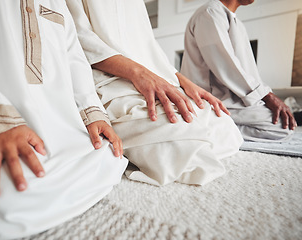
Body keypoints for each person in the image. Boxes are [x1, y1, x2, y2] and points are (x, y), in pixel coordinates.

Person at [0, 0, 128, 239]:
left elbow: (73, 55)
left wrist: (91, 111)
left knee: (107, 152)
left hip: (64, 125)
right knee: (2, 194)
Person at [66, 0, 243, 186]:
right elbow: (76, 36)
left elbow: (147, 45)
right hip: (106, 78)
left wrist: (182, 80)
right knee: (187, 155)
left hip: (151, 75)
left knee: (225, 127)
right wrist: (137, 74)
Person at [181, 0, 297, 142]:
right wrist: (266, 95)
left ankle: (212, 126)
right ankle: (206, 126)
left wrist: (261, 96)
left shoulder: (237, 23)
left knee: (283, 121)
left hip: (234, 97)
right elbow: (225, 65)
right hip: (213, 99)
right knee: (281, 127)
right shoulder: (210, 13)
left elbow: (245, 69)